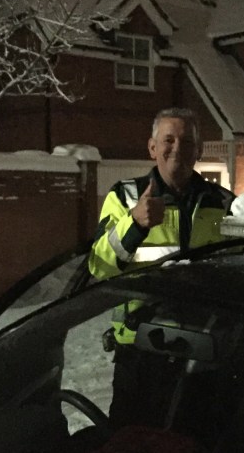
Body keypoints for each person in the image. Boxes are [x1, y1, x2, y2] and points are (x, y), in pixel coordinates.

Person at [88, 107, 233, 429]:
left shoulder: (224, 203)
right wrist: (135, 224)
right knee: (130, 445)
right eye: (168, 140)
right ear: (152, 147)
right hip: (141, 352)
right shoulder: (125, 197)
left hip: (202, 354)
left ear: (199, 150)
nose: (177, 148)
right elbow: (99, 266)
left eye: (187, 141)